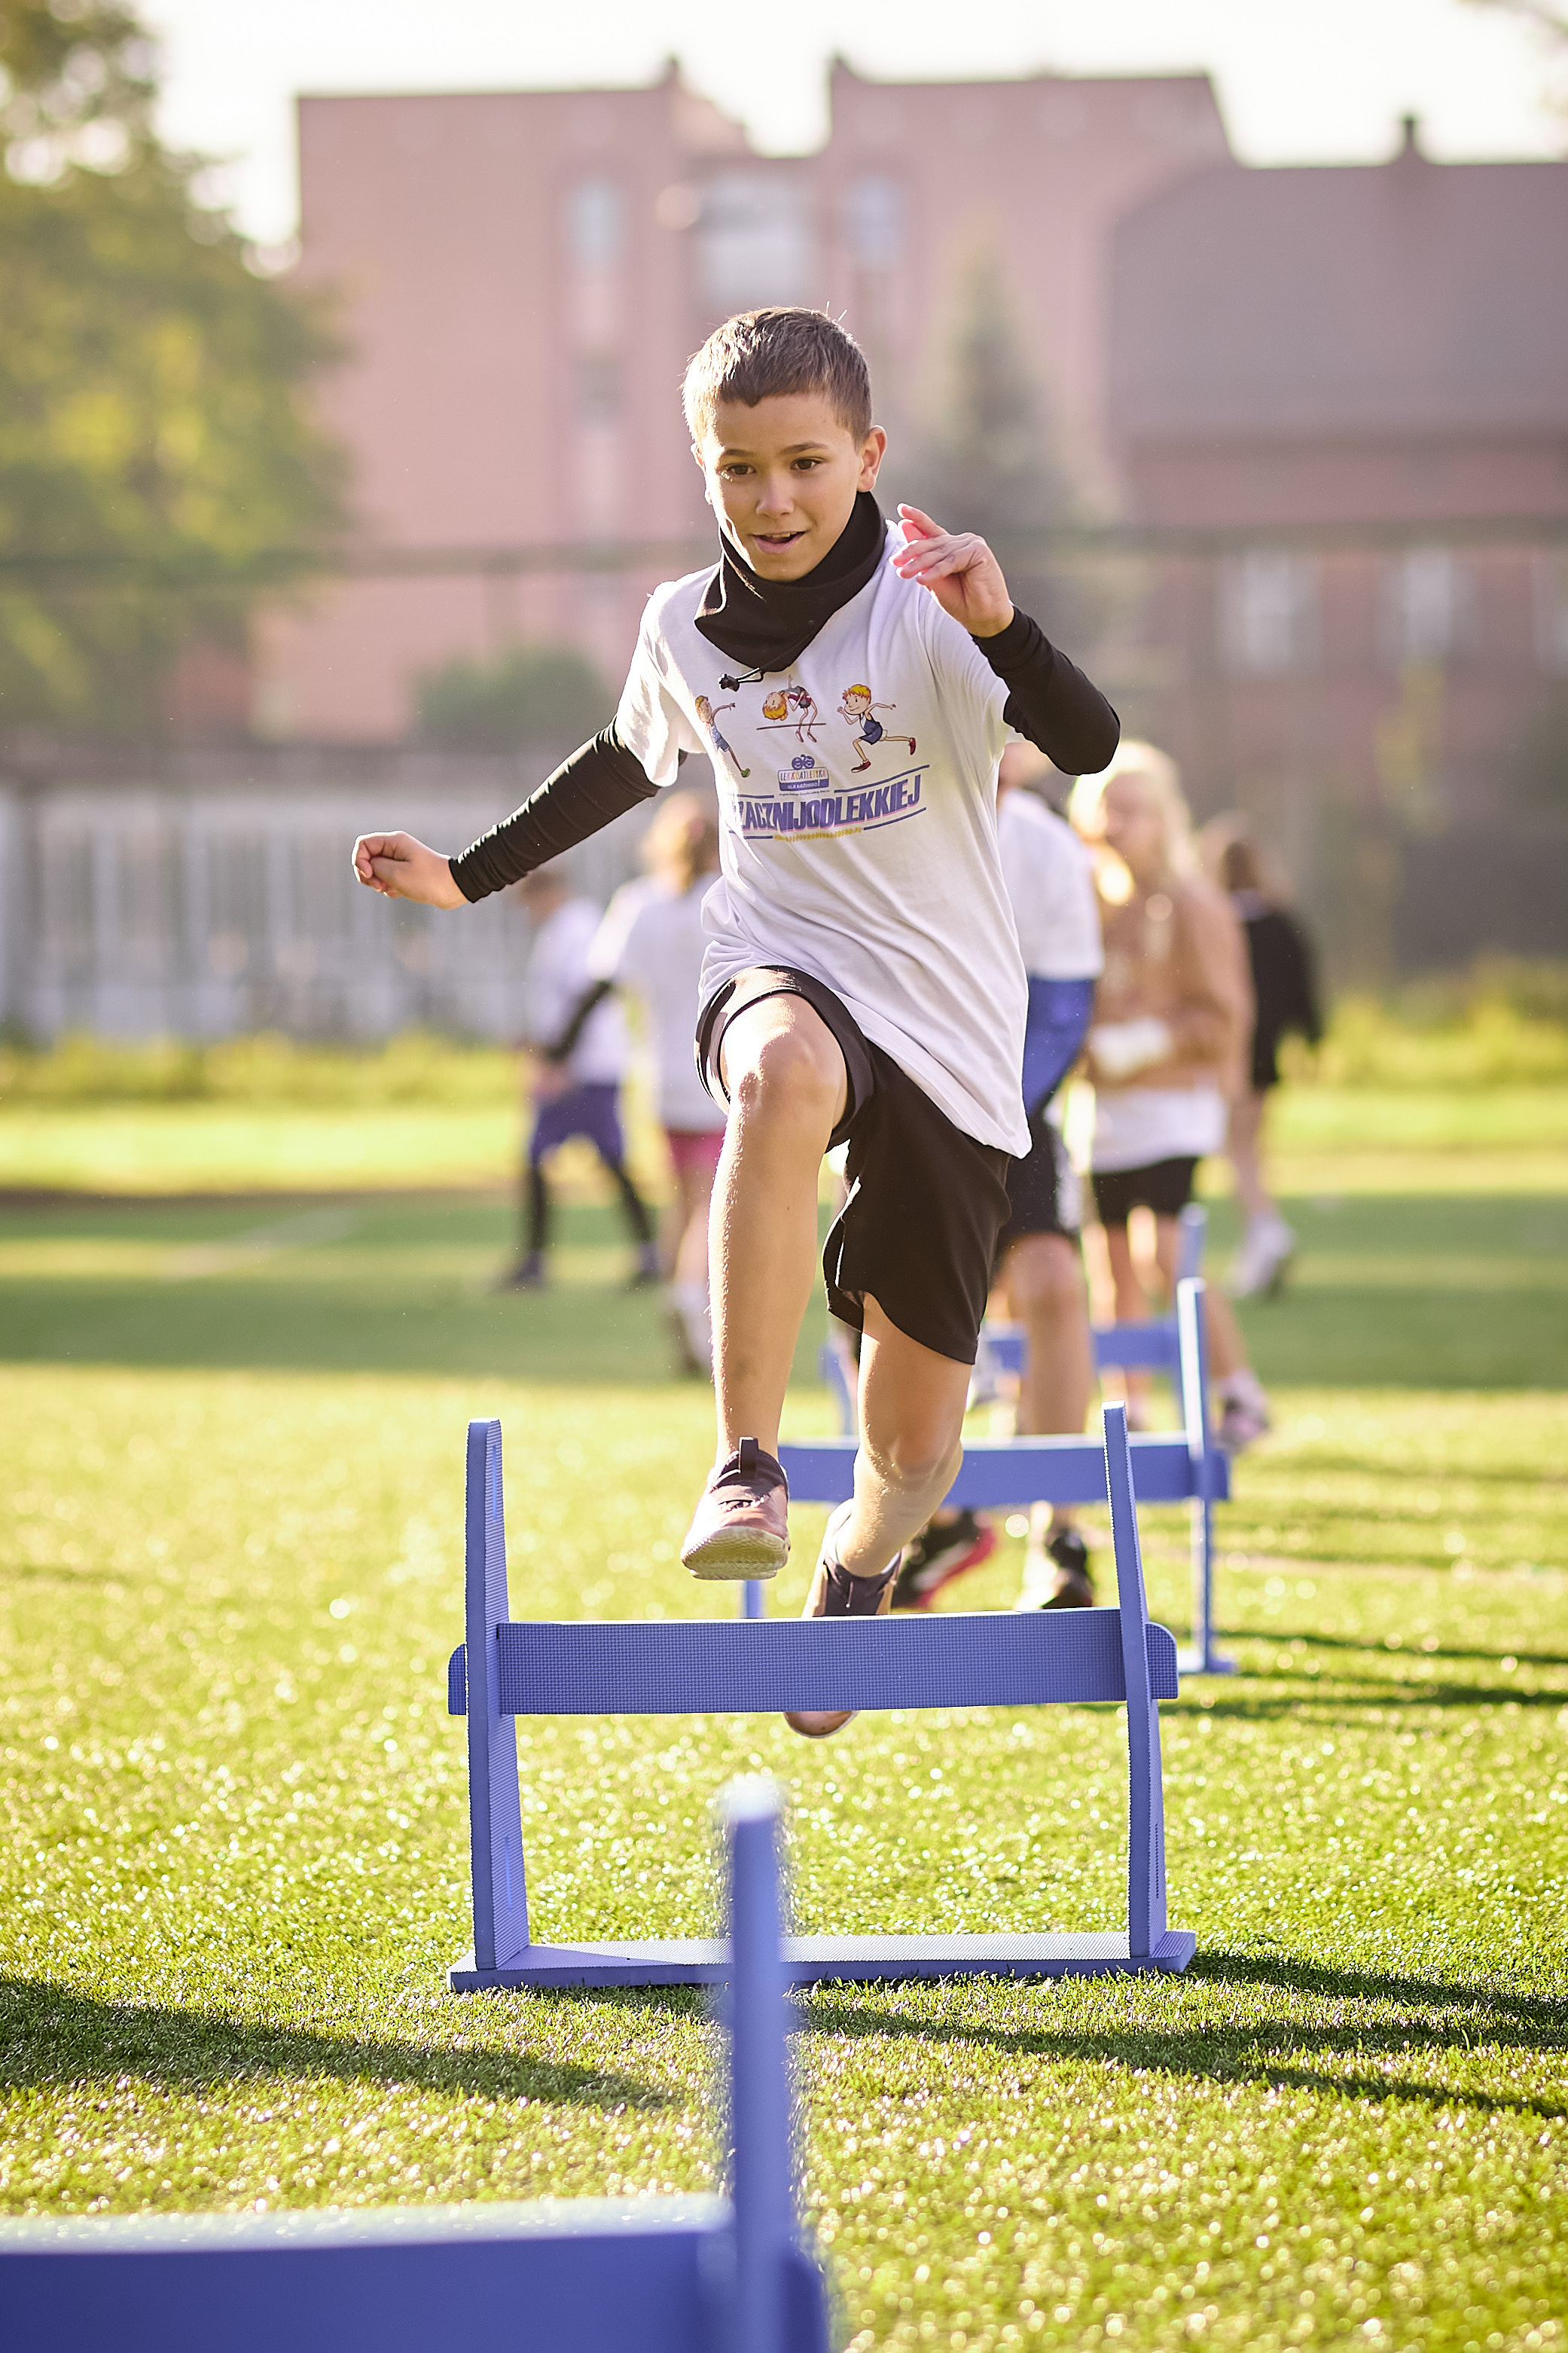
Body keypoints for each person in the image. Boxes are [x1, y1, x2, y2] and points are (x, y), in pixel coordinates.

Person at [351, 307, 1118, 1742]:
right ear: (703, 470)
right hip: (784, 952)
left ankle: (860, 1559)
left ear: (867, 456)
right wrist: (468, 873)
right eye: (738, 470)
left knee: (912, 1442)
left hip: (949, 1016)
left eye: (805, 465)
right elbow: (621, 763)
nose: (772, 498)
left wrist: (1004, 624)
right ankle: (745, 1462)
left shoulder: (924, 602)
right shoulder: (678, 627)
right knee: (775, 1072)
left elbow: (1088, 744)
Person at [890, 740, 1103, 1613]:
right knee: (908, 1322)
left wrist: (994, 1115)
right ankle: (923, 1520)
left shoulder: (1044, 844)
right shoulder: (885, 819)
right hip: (894, 1116)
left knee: (1054, 1283)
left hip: (1011, 1113)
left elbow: (1064, 1002)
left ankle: (1060, 1533)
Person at [1069, 743, 1271, 1453]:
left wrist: (1147, 1042)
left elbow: (1224, 1017)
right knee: (1109, 1262)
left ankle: (1238, 1392)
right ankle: (1132, 1411)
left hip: (1174, 1110)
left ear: (1163, 817)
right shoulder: (1090, 901)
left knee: (1167, 1258)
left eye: (1131, 809)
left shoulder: (1193, 902)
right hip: (1103, 1116)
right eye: (1103, 808)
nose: (1113, 823)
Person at [589, 791, 727, 1374]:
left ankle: (680, 1291)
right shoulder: (725, 900)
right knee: (711, 1203)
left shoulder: (639, 903)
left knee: (682, 1195)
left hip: (661, 1073)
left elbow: (605, 979)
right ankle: (692, 1296)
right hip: (717, 1071)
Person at [497, 864, 659, 1291]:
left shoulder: (578, 928)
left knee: (548, 1157)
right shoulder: (560, 932)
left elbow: (587, 1000)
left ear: (546, 893)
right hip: (577, 1066)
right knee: (600, 1159)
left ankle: (538, 1260)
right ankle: (647, 1252)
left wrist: (558, 1060)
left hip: (585, 1069)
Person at [1198, 813, 1322, 1299]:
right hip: (1267, 1053)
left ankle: (1267, 1232)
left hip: (1234, 1054)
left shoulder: (1215, 920)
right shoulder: (1280, 921)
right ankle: (1261, 1239)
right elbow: (1303, 989)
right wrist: (1311, 1040)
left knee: (1239, 1153)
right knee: (1251, 1148)